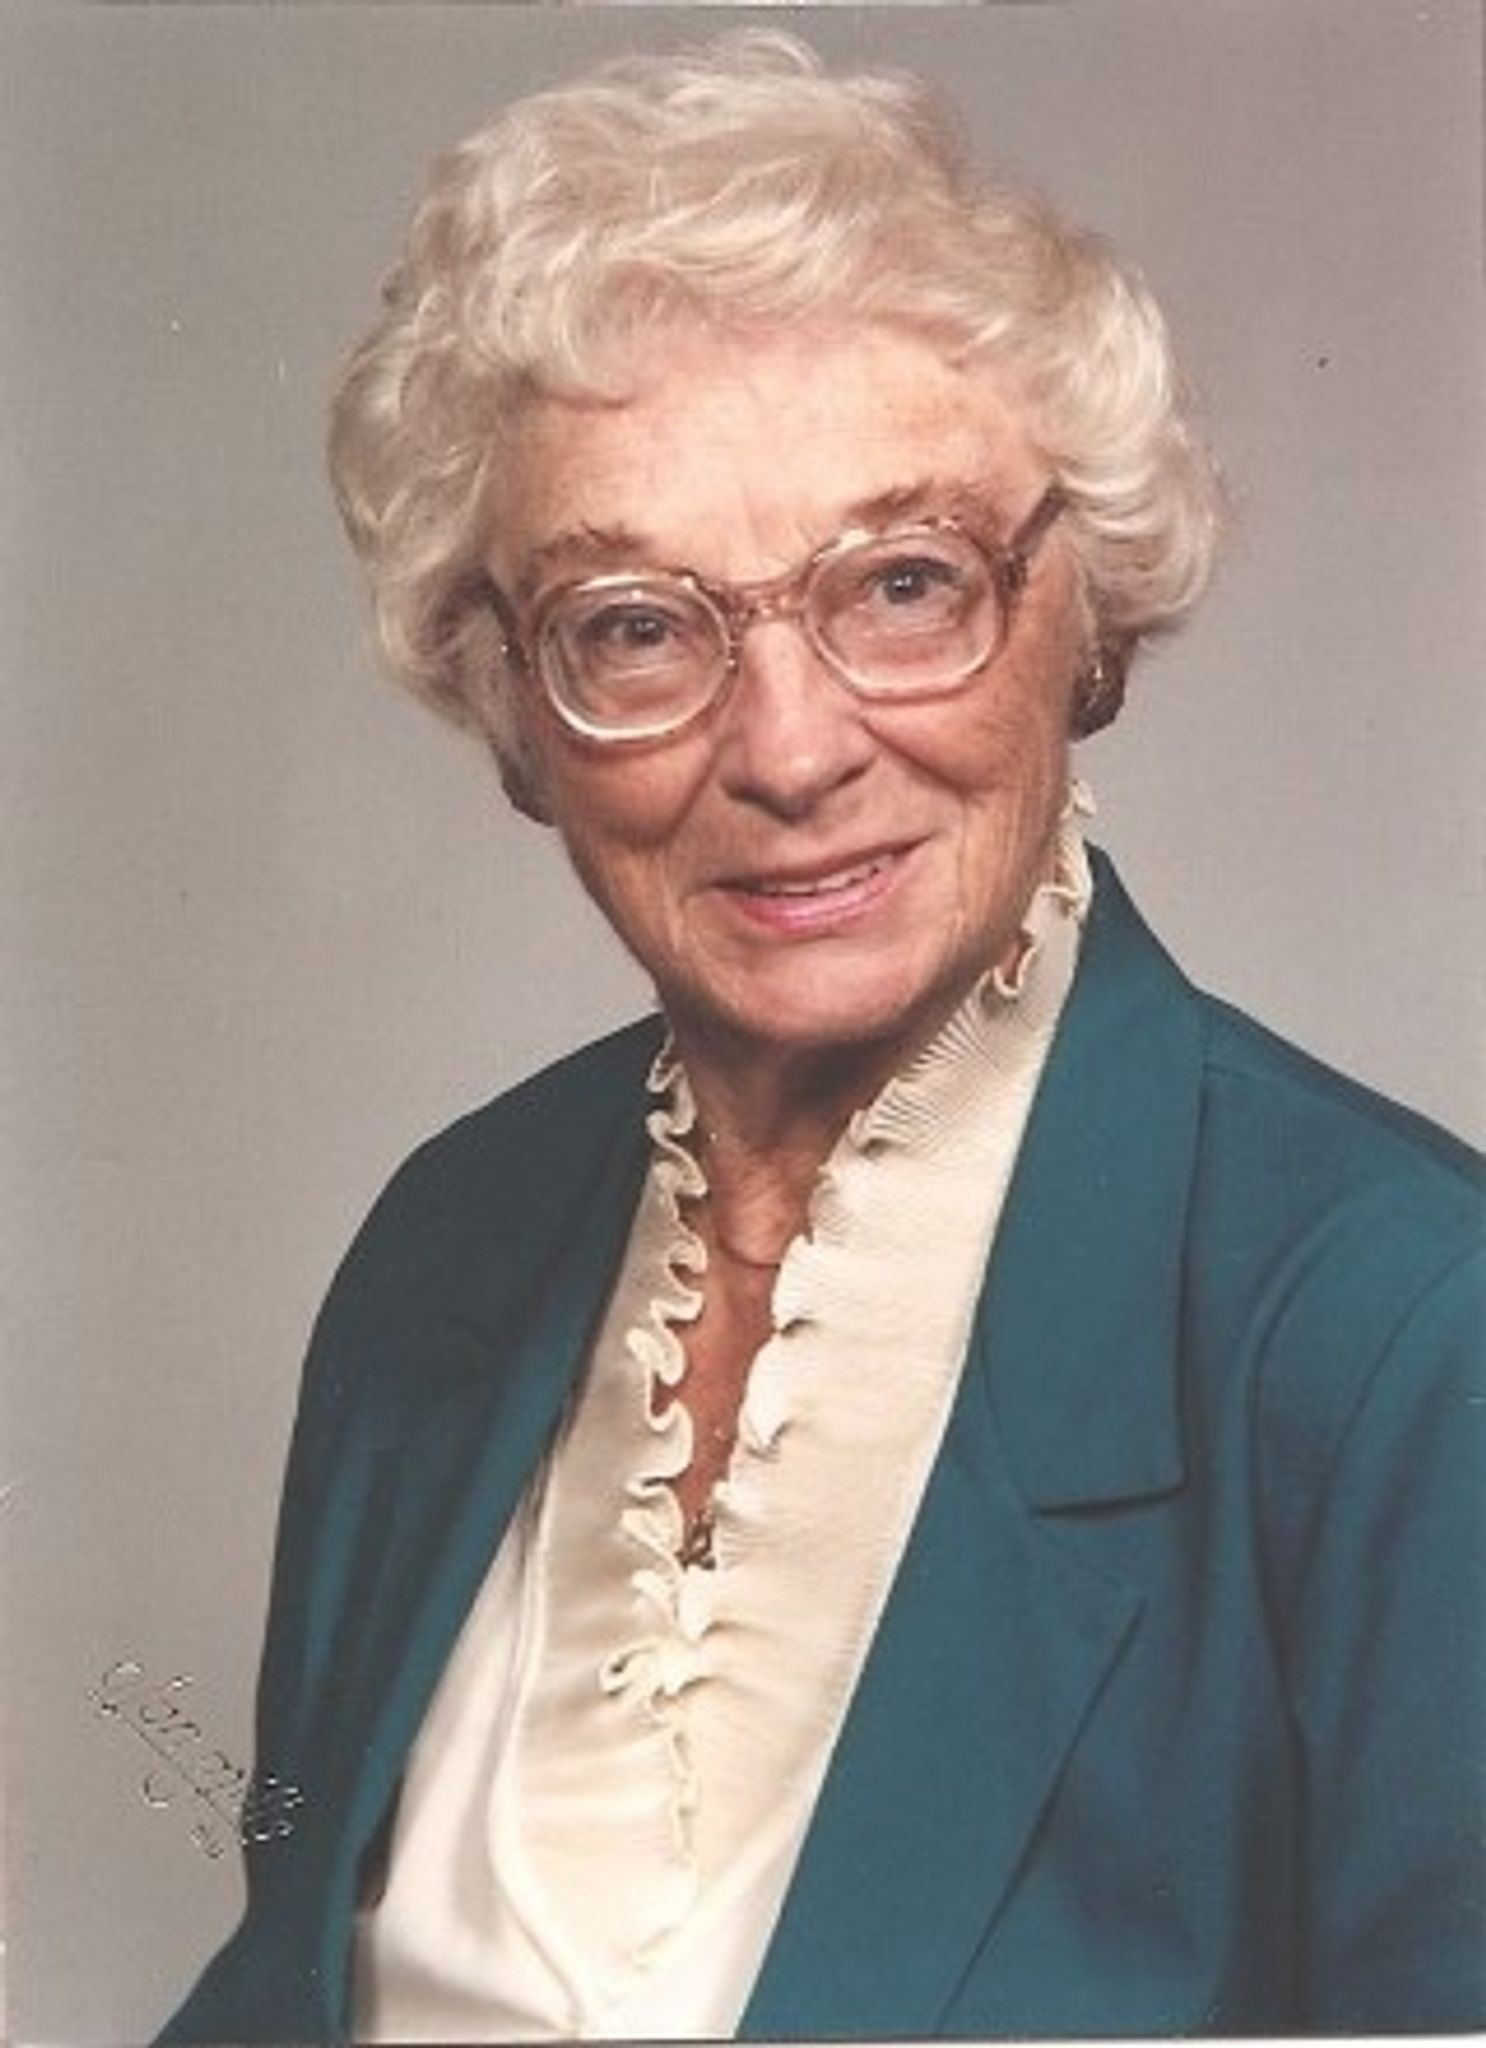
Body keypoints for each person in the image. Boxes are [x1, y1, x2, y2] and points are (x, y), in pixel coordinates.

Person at [161, 30, 1483, 2042]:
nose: (787, 751)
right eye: (633, 624)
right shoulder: (443, 1248)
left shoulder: (1403, 1337)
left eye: (901, 584)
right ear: (508, 706)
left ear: (1088, 619)